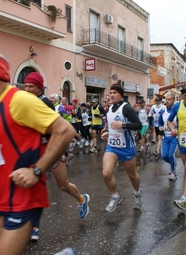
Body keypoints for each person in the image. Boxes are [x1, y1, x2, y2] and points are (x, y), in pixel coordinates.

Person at [0, 52, 76, 255]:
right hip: (0, 199)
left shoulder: (19, 100)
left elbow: (65, 130)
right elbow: (1, 153)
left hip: (23, 198)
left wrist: (37, 171)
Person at [24, 72, 90, 240]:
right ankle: (34, 227)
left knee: (63, 185)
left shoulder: (44, 102)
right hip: (33, 150)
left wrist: (63, 149)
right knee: (32, 187)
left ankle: (82, 200)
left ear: (39, 88)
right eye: (25, 86)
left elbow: (57, 128)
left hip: (50, 149)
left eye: (31, 86)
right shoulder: (26, 102)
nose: (27, 89)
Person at [100, 83, 142, 212]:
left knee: (132, 175)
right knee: (106, 173)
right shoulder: (109, 108)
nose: (111, 95)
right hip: (112, 146)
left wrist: (123, 125)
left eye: (115, 93)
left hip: (127, 147)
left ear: (121, 95)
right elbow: (113, 126)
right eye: (110, 92)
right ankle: (115, 196)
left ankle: (137, 193)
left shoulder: (126, 108)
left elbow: (138, 125)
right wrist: (108, 133)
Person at [158, 95, 178, 181]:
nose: (167, 101)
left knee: (171, 155)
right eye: (166, 99)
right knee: (164, 156)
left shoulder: (178, 111)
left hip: (175, 137)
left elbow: (183, 123)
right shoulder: (163, 111)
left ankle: (173, 172)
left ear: (173, 100)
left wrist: (177, 125)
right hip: (166, 137)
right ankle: (173, 164)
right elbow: (159, 123)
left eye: (169, 99)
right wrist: (160, 127)